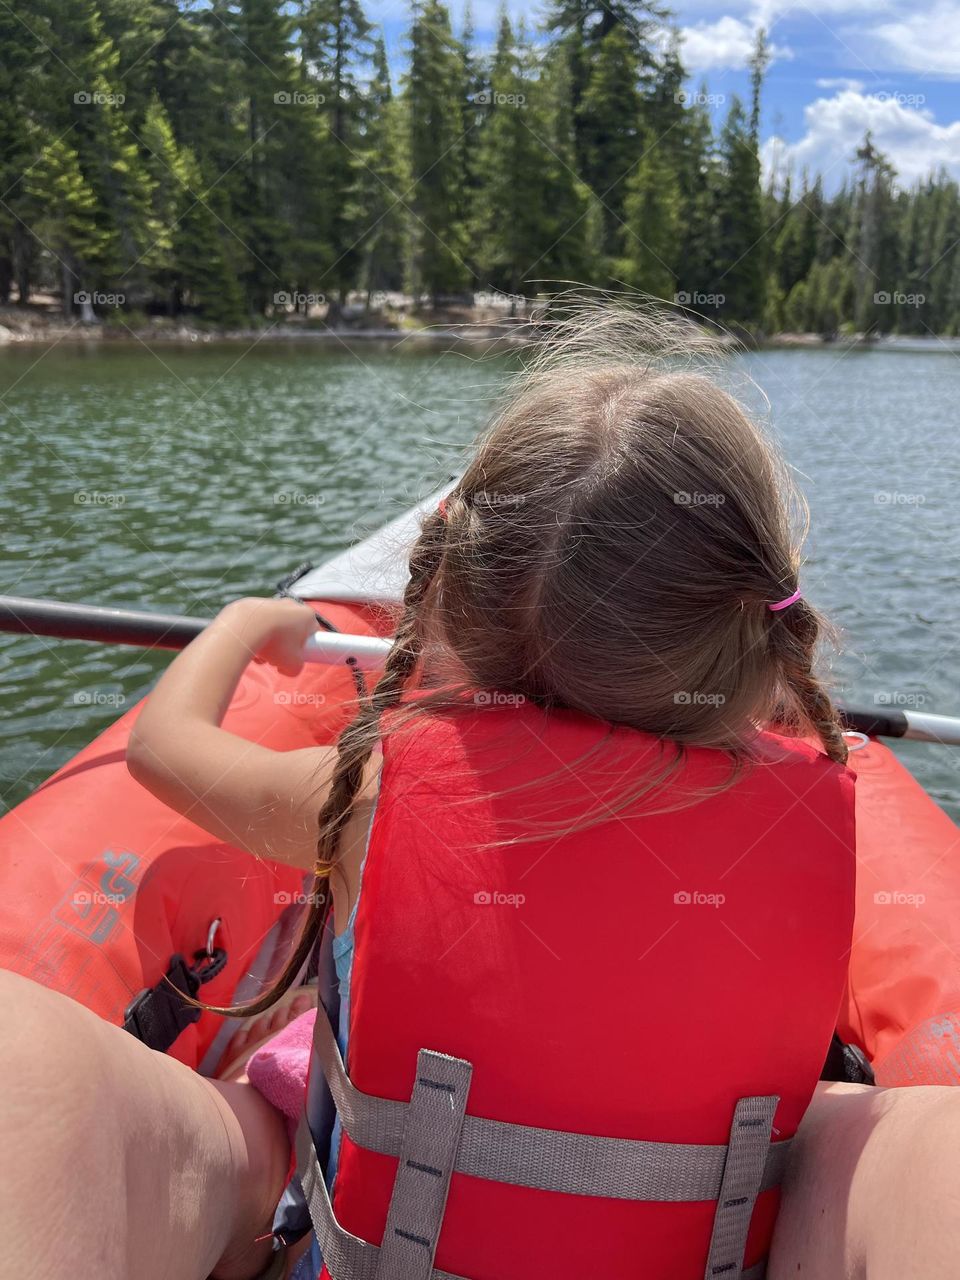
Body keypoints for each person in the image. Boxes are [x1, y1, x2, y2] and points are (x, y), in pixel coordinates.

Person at [0, 309, 955, 1280]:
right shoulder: (810, 820)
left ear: (454, 599)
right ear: (755, 628)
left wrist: (249, 619)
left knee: (238, 1077)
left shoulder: (374, 792)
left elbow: (166, 748)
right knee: (845, 1123)